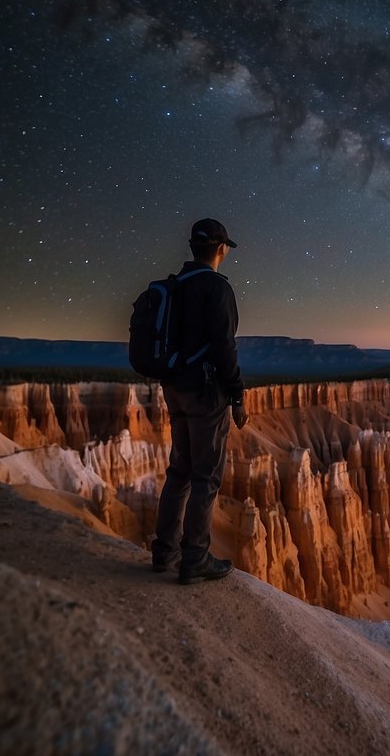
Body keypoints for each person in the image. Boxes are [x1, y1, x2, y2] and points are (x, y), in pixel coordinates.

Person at [150, 218, 248, 585]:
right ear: (222, 249)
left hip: (173, 388)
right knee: (206, 476)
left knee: (179, 471)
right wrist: (237, 394)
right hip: (205, 393)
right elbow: (225, 346)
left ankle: (164, 551)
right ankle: (195, 558)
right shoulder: (216, 288)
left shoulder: (174, 287)